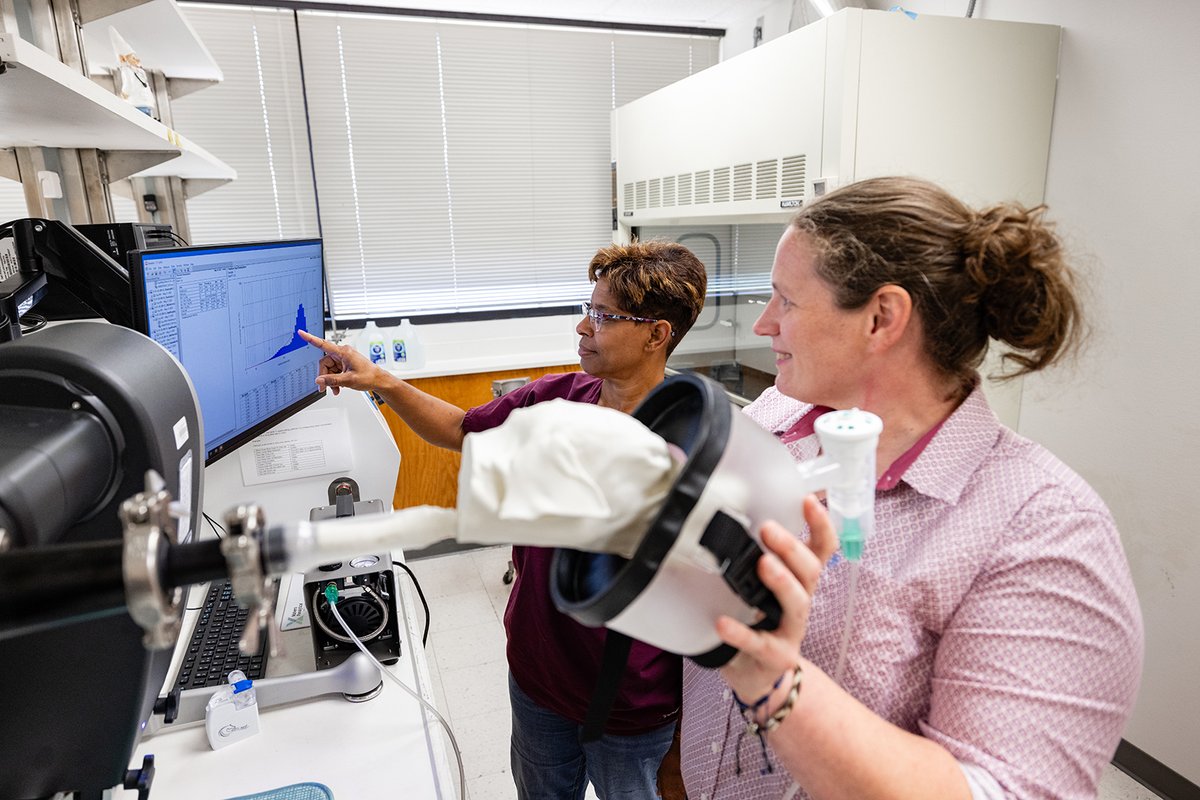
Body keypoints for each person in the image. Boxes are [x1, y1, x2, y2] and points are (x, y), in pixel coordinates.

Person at [680, 176, 1143, 799]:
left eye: (785, 301)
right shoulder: (771, 420)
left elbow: (1002, 790)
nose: (765, 324)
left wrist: (772, 679)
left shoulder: (1041, 528)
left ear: (882, 317)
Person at [299, 240, 708, 800]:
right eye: (588, 310)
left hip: (632, 709)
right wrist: (383, 383)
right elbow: (460, 430)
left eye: (604, 316)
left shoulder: (693, 446)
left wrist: (682, 749)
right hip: (539, 678)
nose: (583, 328)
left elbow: (707, 619)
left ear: (657, 334)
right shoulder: (557, 399)